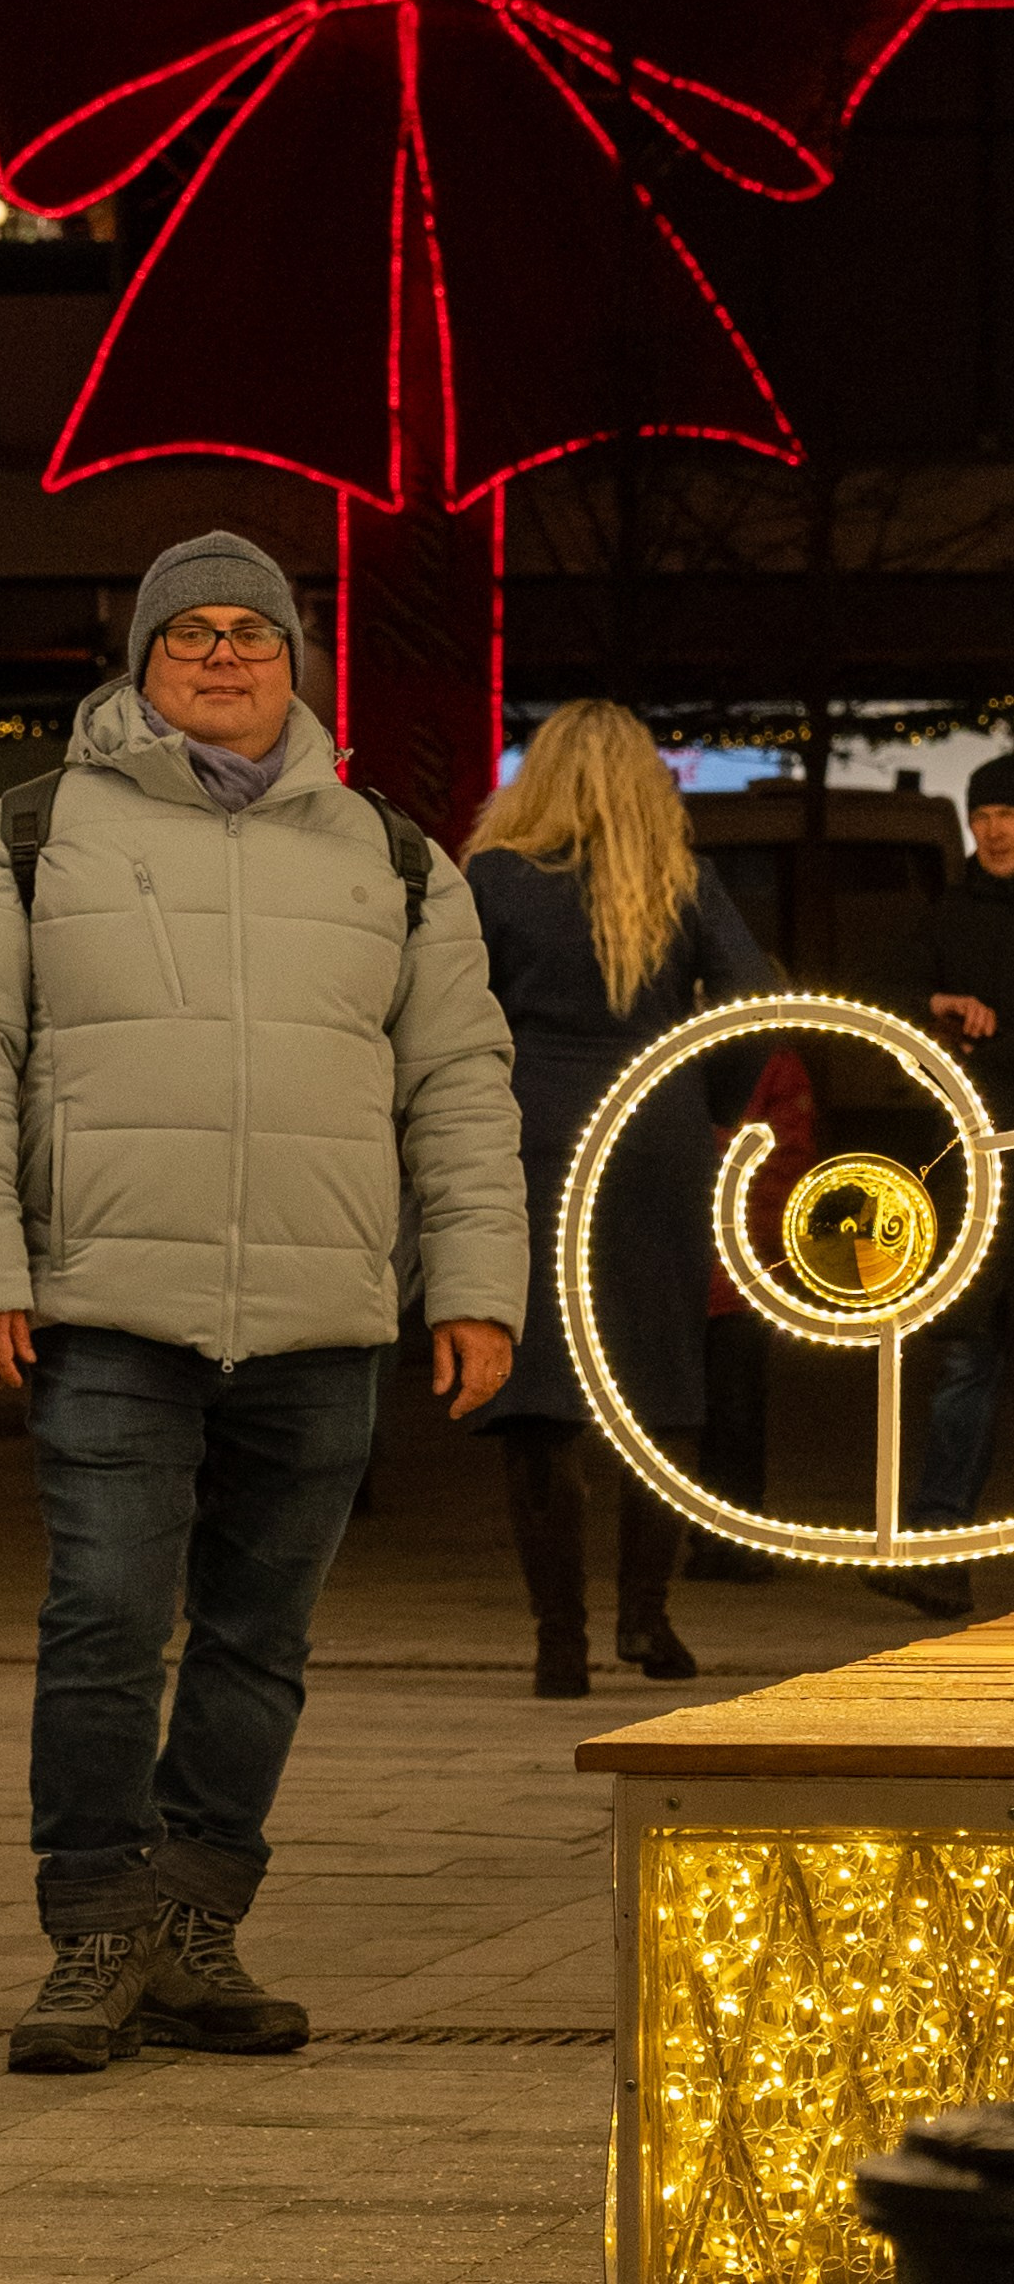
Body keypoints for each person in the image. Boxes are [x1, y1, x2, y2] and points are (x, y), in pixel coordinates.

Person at [0, 529, 526, 2078]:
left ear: (295, 662)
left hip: (319, 1311)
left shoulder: (390, 856)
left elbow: (457, 1084)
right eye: (192, 632)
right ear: (142, 660)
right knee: (106, 1617)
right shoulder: (26, 837)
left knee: (260, 1636)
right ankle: (95, 1925)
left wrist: (480, 1285)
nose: (225, 654)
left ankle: (193, 1920)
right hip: (104, 1301)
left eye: (254, 631)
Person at [467, 702, 771, 1698]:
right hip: (656, 1128)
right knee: (660, 1379)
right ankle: (648, 1619)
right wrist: (707, 1104)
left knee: (541, 1395)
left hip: (535, 1129)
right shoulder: (682, 878)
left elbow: (453, 1011)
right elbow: (749, 998)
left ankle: (560, 1641)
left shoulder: (498, 877)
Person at [868, 753, 1014, 1618]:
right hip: (968, 1168)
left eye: (1008, 812)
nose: (994, 827)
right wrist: (936, 1004)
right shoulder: (944, 916)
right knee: (965, 1355)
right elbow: (871, 994)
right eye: (984, 812)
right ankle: (934, 1542)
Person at [685, 1047, 817, 1583]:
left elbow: (785, 1163)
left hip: (726, 1268)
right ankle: (729, 1538)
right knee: (733, 1412)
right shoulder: (775, 1061)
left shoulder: (767, 1061)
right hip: (741, 1268)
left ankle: (720, 1537)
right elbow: (789, 1161)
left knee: (717, 1412)